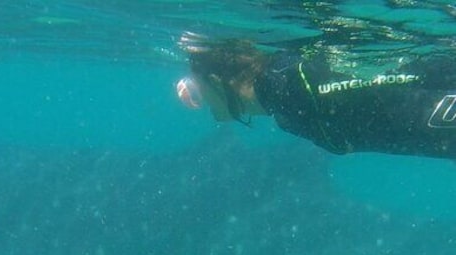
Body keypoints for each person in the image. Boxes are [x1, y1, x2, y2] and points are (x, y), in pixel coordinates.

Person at [175, 34, 456, 159]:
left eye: (195, 85)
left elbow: (423, 110)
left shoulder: (293, 87)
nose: (191, 96)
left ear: (215, 80)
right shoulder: (284, 102)